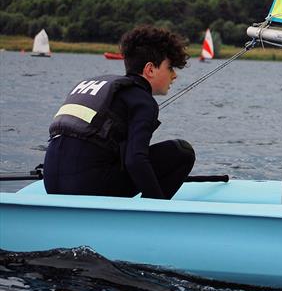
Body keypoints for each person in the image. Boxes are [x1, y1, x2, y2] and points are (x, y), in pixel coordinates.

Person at [43, 25, 195, 199]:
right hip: (86, 187)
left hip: (51, 183)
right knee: (182, 152)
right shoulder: (143, 101)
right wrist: (157, 204)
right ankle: (148, 218)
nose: (174, 76)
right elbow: (135, 160)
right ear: (150, 69)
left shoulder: (97, 85)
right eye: (170, 68)